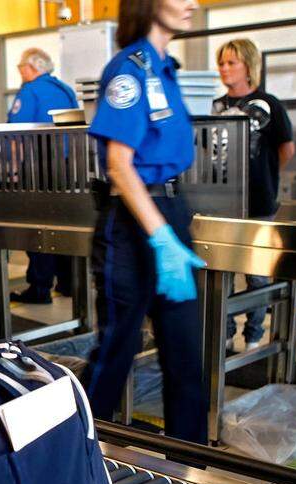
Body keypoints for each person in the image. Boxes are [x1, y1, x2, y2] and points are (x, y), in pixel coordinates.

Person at [83, 0, 206, 445]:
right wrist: (160, 237)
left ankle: (193, 470)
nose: (193, 3)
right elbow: (119, 164)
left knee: (186, 355)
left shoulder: (166, 70)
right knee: (118, 349)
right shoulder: (128, 69)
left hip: (169, 211)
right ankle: (79, 451)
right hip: (132, 223)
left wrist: (170, 232)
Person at [212, 38, 294, 351]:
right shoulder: (217, 106)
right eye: (221, 63)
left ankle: (255, 334)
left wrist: (264, 176)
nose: (224, 69)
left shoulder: (269, 104)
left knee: (257, 276)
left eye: (231, 62)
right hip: (222, 203)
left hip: (259, 202)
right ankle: (226, 334)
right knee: (223, 274)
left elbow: (286, 149)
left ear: (249, 66)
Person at [7, 47, 81, 305]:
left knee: (36, 227)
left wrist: (14, 170)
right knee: (64, 224)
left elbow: (17, 133)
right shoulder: (65, 90)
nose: (20, 72)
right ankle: (70, 283)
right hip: (68, 167)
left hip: (38, 166)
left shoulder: (30, 90)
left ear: (31, 67)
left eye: (20, 67)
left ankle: (39, 288)